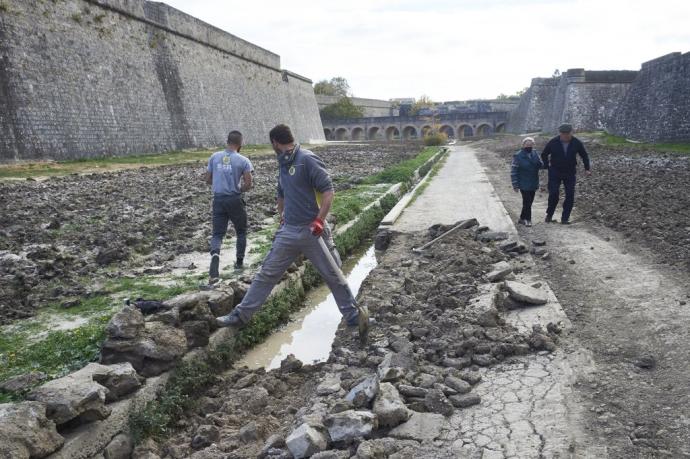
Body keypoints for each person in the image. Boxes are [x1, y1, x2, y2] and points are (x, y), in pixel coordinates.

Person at [216, 124, 359, 328]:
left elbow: (328, 192)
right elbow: (281, 193)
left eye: (272, 143)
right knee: (266, 274)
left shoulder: (307, 159)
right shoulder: (283, 162)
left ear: (275, 142)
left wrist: (319, 220)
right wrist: (281, 216)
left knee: (333, 274)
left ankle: (353, 316)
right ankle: (240, 316)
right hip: (288, 231)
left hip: (312, 231)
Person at [205, 130, 254, 283]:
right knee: (241, 231)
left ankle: (215, 255)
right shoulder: (243, 160)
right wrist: (239, 189)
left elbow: (207, 179)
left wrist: (220, 183)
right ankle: (239, 263)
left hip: (218, 199)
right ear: (240, 144)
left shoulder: (214, 157)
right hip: (234, 199)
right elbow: (248, 183)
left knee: (217, 234)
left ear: (227, 141)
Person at [541, 123, 591, 224]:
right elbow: (544, 154)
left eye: (568, 133)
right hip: (555, 171)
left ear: (571, 132)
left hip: (570, 172)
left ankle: (565, 218)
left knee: (570, 195)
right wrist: (546, 165)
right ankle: (549, 215)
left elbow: (584, 155)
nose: (566, 136)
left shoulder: (576, 142)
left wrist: (587, 168)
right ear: (560, 133)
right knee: (554, 193)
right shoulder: (553, 142)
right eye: (563, 134)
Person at [511, 137, 542, 227]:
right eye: (527, 145)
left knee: (529, 202)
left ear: (533, 145)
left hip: (533, 182)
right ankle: (528, 220)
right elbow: (513, 171)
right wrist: (515, 185)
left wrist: (540, 164)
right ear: (523, 145)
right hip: (523, 183)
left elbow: (540, 164)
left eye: (531, 145)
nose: (529, 146)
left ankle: (521, 218)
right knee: (527, 202)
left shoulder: (535, 153)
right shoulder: (518, 156)